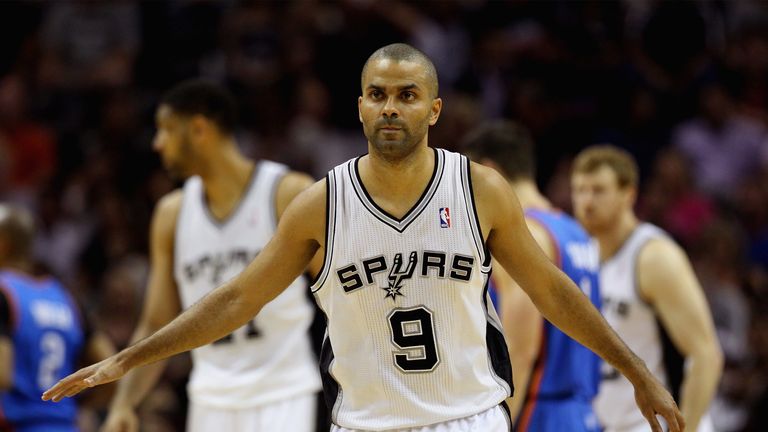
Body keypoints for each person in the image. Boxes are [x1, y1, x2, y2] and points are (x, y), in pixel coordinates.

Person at [44, 43, 684, 432]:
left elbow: (552, 291)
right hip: (365, 423)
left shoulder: (480, 190)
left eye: (407, 96)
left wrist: (638, 372)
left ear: (433, 110)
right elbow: (237, 298)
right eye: (377, 95)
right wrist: (131, 359)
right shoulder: (319, 205)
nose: (390, 108)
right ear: (359, 106)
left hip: (468, 417)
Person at [99, 80, 322, 432]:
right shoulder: (171, 214)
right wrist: (125, 402)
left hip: (284, 392)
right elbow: (158, 322)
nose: (157, 144)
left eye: (166, 130)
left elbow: (336, 294)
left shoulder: (287, 192)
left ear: (199, 129)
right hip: (209, 399)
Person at [570, 145, 723, 432]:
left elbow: (705, 355)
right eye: (579, 190)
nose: (587, 201)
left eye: (598, 190)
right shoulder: (579, 253)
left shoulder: (654, 256)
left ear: (629, 195)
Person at [463, 121, 602, 432]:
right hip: (582, 414)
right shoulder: (575, 232)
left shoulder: (525, 237)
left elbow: (519, 349)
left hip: (538, 411)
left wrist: (500, 424)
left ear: (490, 172)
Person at [0, 204, 115, 431]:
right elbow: (109, 360)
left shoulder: (4, 293)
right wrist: (80, 405)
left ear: (3, 243)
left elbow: (2, 375)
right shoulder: (65, 297)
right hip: (65, 424)